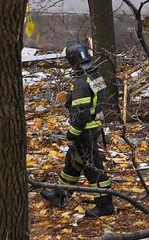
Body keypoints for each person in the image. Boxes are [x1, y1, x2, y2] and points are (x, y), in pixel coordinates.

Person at [39, 42, 113, 218]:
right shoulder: (95, 75)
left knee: (92, 169)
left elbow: (81, 114)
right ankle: (60, 195)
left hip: (84, 132)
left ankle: (105, 205)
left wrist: (72, 133)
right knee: (72, 164)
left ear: (73, 61)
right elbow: (95, 100)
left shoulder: (81, 81)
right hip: (94, 129)